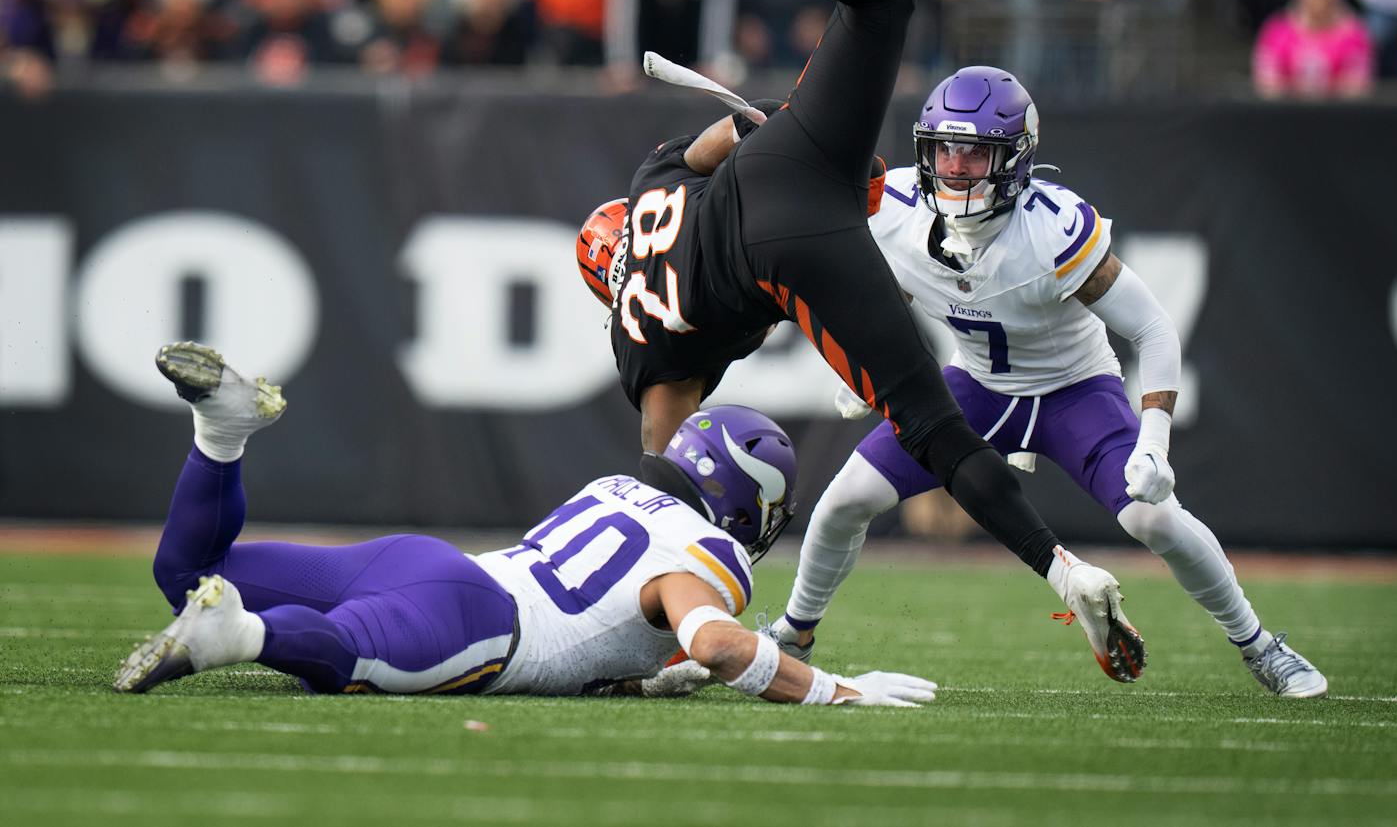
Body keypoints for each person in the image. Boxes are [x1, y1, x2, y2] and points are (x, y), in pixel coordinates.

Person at [578, 0, 1146, 683]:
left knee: (934, 428)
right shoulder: (654, 179)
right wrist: (818, 145)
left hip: (782, 248)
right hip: (787, 167)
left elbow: (665, 473)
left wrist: (647, 624)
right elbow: (736, 128)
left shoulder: (636, 340)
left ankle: (1068, 571)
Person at [764, 66, 1328, 699]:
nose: (954, 167)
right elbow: (889, 283)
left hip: (1072, 391)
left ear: (1014, 157)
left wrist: (1155, 438)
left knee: (1155, 521)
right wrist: (867, 356)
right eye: (944, 149)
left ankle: (1260, 645)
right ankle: (794, 634)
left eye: (975, 152)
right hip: (974, 387)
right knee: (845, 499)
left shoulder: (1052, 229)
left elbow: (1152, 331)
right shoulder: (893, 209)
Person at [114, 341, 936, 708]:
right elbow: (718, 643)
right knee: (334, 657)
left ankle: (220, 433)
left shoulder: (619, 486)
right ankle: (239, 636)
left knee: (183, 576)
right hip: (475, 622)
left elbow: (627, 641)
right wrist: (838, 689)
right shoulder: (710, 553)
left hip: (424, 565)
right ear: (747, 501)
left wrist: (659, 674)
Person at [1253, 0, 1373, 99]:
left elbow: (1357, 89)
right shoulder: (1278, 31)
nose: (1319, 3)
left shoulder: (1354, 35)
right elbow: (1267, 85)